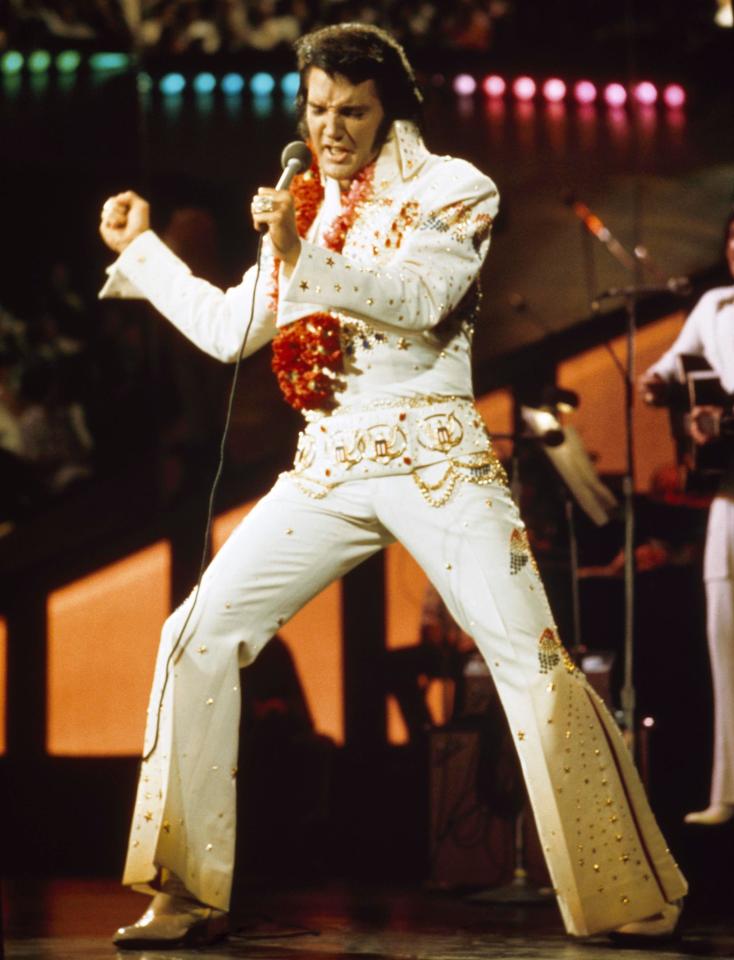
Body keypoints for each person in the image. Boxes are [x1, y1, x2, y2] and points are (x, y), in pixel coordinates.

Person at [99, 23, 685, 949]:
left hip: (435, 459)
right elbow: (227, 329)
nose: (331, 129)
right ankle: (183, 887)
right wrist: (144, 255)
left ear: (390, 109)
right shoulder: (305, 201)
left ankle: (625, 896)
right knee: (193, 635)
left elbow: (416, 302)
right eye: (318, 109)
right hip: (327, 465)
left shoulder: (457, 189)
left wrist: (300, 247)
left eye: (352, 111)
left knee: (531, 661)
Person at [641, 207, 734, 827]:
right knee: (723, 640)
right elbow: (678, 362)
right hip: (729, 493)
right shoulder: (716, 308)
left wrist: (721, 422)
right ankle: (726, 792)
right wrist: (658, 380)